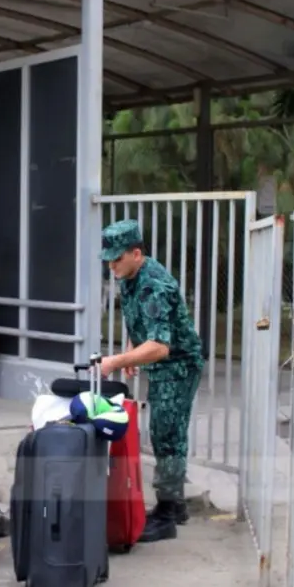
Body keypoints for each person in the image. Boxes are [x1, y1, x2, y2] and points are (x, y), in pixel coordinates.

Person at [97, 219, 204, 543]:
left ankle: (168, 514)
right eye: (108, 260)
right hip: (163, 366)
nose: (112, 266)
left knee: (167, 436)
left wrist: (117, 361)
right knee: (165, 433)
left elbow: (159, 346)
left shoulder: (153, 284)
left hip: (177, 366)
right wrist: (132, 350)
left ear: (136, 253)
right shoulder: (131, 274)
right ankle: (176, 506)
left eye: (117, 259)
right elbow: (143, 320)